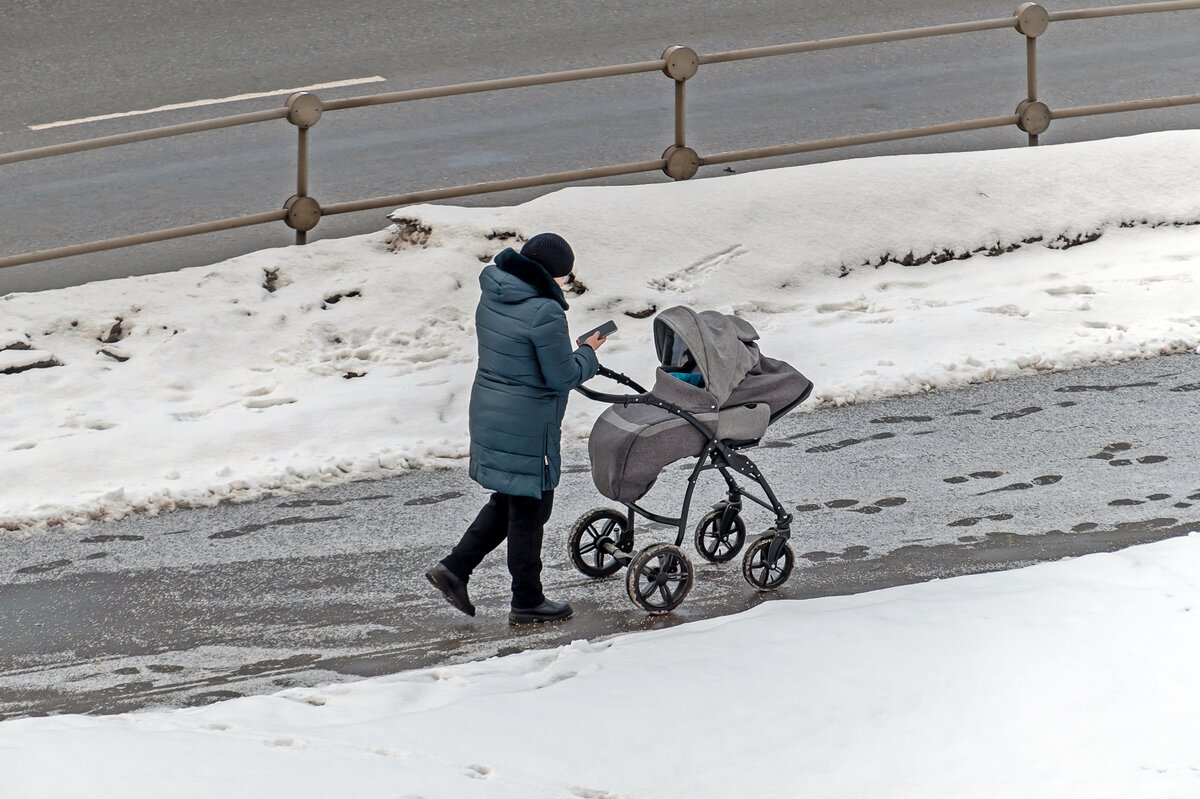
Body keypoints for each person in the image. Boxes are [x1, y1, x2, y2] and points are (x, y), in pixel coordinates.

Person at [426, 232, 607, 625]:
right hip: (527, 421)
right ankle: (527, 601)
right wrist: (588, 352)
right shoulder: (545, 311)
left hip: (492, 409)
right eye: (563, 277)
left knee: (509, 498)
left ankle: (454, 569)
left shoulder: (495, 293)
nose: (564, 284)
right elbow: (561, 376)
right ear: (551, 274)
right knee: (531, 508)